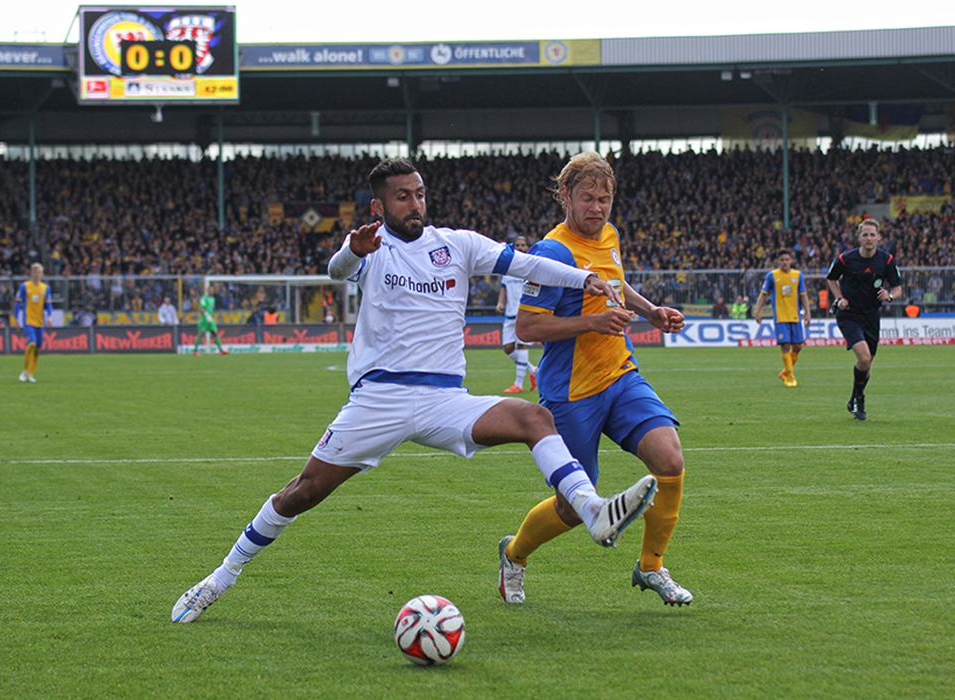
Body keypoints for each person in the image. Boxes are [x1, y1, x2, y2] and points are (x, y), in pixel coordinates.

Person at [171, 157, 659, 624]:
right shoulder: (370, 248)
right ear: (379, 207)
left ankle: (592, 509)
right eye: (403, 197)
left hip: (445, 398)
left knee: (535, 418)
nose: (415, 204)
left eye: (420, 194)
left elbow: (526, 266)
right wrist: (350, 251)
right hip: (379, 401)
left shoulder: (458, 244)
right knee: (303, 492)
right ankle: (222, 575)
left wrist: (586, 278)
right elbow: (336, 271)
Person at [498, 151, 693, 608]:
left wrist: (651, 311)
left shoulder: (609, 235)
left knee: (669, 460)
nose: (598, 208)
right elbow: (527, 329)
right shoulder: (551, 252)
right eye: (588, 198)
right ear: (565, 196)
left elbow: (616, 283)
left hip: (621, 375)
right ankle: (514, 554)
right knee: (571, 508)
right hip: (571, 394)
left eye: (605, 199)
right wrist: (592, 323)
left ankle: (651, 567)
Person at [826, 219, 902, 421]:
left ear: (878, 237)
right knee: (864, 358)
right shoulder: (846, 259)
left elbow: (898, 287)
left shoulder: (886, 260)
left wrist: (891, 296)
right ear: (859, 238)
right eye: (865, 235)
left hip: (871, 315)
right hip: (850, 314)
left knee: (867, 365)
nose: (869, 239)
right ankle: (860, 399)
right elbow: (831, 278)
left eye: (872, 235)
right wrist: (839, 298)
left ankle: (854, 399)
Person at [753, 249, 811, 387]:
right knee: (785, 346)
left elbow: (803, 295)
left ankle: (785, 371)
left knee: (797, 346)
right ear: (778, 261)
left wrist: (808, 313)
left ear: (791, 261)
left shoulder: (798, 276)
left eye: (787, 259)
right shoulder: (772, 276)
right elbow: (763, 294)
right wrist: (757, 311)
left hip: (795, 316)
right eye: (782, 260)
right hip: (780, 317)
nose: (785, 262)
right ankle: (790, 377)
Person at [495, 236, 538, 394]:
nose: (520, 247)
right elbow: (504, 289)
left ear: (527, 247)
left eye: (523, 244)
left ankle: (518, 385)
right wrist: (500, 303)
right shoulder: (508, 269)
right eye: (518, 245)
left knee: (522, 346)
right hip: (509, 315)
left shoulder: (530, 268)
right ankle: (533, 371)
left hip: (524, 314)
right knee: (508, 348)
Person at [13, 262, 53, 383]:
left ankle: (31, 374)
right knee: (32, 343)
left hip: (39, 322)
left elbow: (48, 304)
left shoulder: (45, 288)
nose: (37, 274)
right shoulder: (24, 286)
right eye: (35, 272)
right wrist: (16, 318)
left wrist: (50, 316)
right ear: (31, 273)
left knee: (37, 349)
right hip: (28, 320)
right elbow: (17, 303)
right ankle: (24, 371)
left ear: (42, 274)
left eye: (39, 272)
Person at [192, 284, 229, 355]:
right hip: (204, 319)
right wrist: (206, 314)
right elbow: (200, 307)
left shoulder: (213, 299)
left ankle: (221, 350)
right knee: (200, 334)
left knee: (215, 333)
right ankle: (195, 351)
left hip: (210, 319)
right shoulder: (204, 298)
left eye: (212, 290)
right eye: (210, 290)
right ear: (208, 291)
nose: (211, 291)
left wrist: (210, 316)